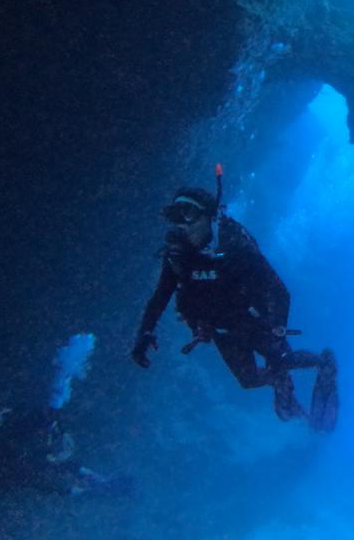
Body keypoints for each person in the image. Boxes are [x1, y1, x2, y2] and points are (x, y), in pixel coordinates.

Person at [131, 178, 338, 432]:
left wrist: (277, 326)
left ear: (209, 216)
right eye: (177, 218)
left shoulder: (234, 244)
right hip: (220, 327)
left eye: (190, 216)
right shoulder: (178, 255)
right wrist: (145, 332)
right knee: (248, 380)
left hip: (254, 318)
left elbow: (279, 290)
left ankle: (324, 363)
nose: (184, 227)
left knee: (282, 359)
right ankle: (278, 382)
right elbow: (160, 296)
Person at [0, 406, 128, 497]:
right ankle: (96, 486)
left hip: (21, 462)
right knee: (49, 475)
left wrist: (61, 432)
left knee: (62, 469)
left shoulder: (21, 423)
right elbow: (33, 480)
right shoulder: (5, 445)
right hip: (15, 466)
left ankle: (100, 484)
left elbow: (49, 415)